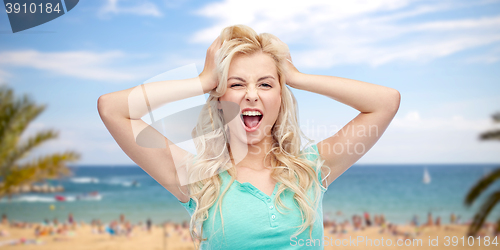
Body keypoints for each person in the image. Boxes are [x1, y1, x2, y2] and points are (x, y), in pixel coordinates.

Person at [98, 24, 400, 249]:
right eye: (237, 84)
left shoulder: (310, 168)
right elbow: (112, 109)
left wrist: (296, 77)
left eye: (266, 85)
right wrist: (202, 80)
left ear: (281, 98)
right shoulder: (199, 178)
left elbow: (385, 102)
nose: (252, 95)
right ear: (219, 98)